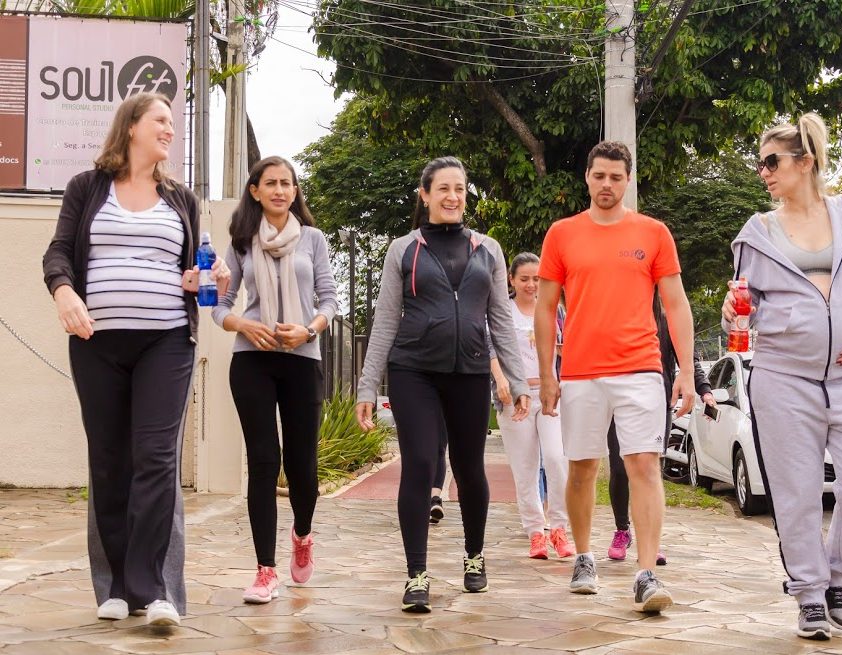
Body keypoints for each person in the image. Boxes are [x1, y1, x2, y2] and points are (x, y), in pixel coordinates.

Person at [41, 91, 229, 626]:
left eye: (173, 123)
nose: (171, 130)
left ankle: (156, 590)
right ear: (131, 128)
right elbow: (59, 251)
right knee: (109, 461)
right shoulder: (87, 188)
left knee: (155, 459)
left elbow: (194, 270)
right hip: (97, 343)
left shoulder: (180, 198)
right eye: (162, 121)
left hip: (166, 341)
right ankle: (116, 587)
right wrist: (64, 291)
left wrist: (202, 281)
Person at [722, 113, 842, 640]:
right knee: (795, 493)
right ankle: (810, 592)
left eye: (772, 161)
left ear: (805, 162)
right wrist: (731, 313)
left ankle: (836, 571)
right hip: (781, 379)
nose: (764, 172)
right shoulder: (758, 231)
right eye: (760, 164)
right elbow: (739, 311)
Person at [355, 156, 530, 614]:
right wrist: (367, 387)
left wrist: (518, 379)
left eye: (460, 189)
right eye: (444, 189)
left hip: (470, 372)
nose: (454, 196)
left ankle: (474, 557)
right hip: (413, 371)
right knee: (418, 464)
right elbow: (385, 321)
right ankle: (416, 574)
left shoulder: (488, 249)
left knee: (470, 468)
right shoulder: (403, 250)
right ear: (425, 195)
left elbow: (500, 323)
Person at [535, 141, 696, 613]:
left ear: (628, 181)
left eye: (616, 177)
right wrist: (548, 374)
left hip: (641, 367)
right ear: (587, 177)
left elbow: (676, 303)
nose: (607, 184)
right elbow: (545, 308)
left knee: (643, 464)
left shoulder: (654, 232)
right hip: (582, 371)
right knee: (582, 467)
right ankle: (584, 557)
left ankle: (646, 572)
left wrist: (685, 369)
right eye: (599, 175)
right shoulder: (562, 235)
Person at [212, 156, 338, 604]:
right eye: (271, 183)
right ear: (256, 191)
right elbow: (220, 305)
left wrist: (309, 328)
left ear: (294, 191)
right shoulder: (242, 243)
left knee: (302, 464)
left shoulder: (314, 240)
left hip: (303, 358)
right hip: (252, 359)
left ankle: (302, 535)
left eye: (287, 183)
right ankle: (265, 570)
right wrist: (244, 326)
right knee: (264, 461)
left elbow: (329, 299)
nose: (280, 190)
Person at [607, 304, 715, 563]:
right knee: (620, 469)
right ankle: (622, 529)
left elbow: (689, 361)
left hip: (657, 402)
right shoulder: (616, 312)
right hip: (618, 401)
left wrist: (705, 391)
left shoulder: (667, 319)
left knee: (650, 471)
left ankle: (649, 540)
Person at [490, 252, 575, 560]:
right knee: (525, 469)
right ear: (511, 280)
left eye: (537, 279)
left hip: (550, 395)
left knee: (556, 459)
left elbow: (568, 350)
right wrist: (502, 383)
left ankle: (559, 527)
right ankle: (536, 533)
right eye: (524, 278)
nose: (531, 284)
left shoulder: (555, 310)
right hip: (515, 399)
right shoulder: (502, 311)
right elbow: (491, 349)